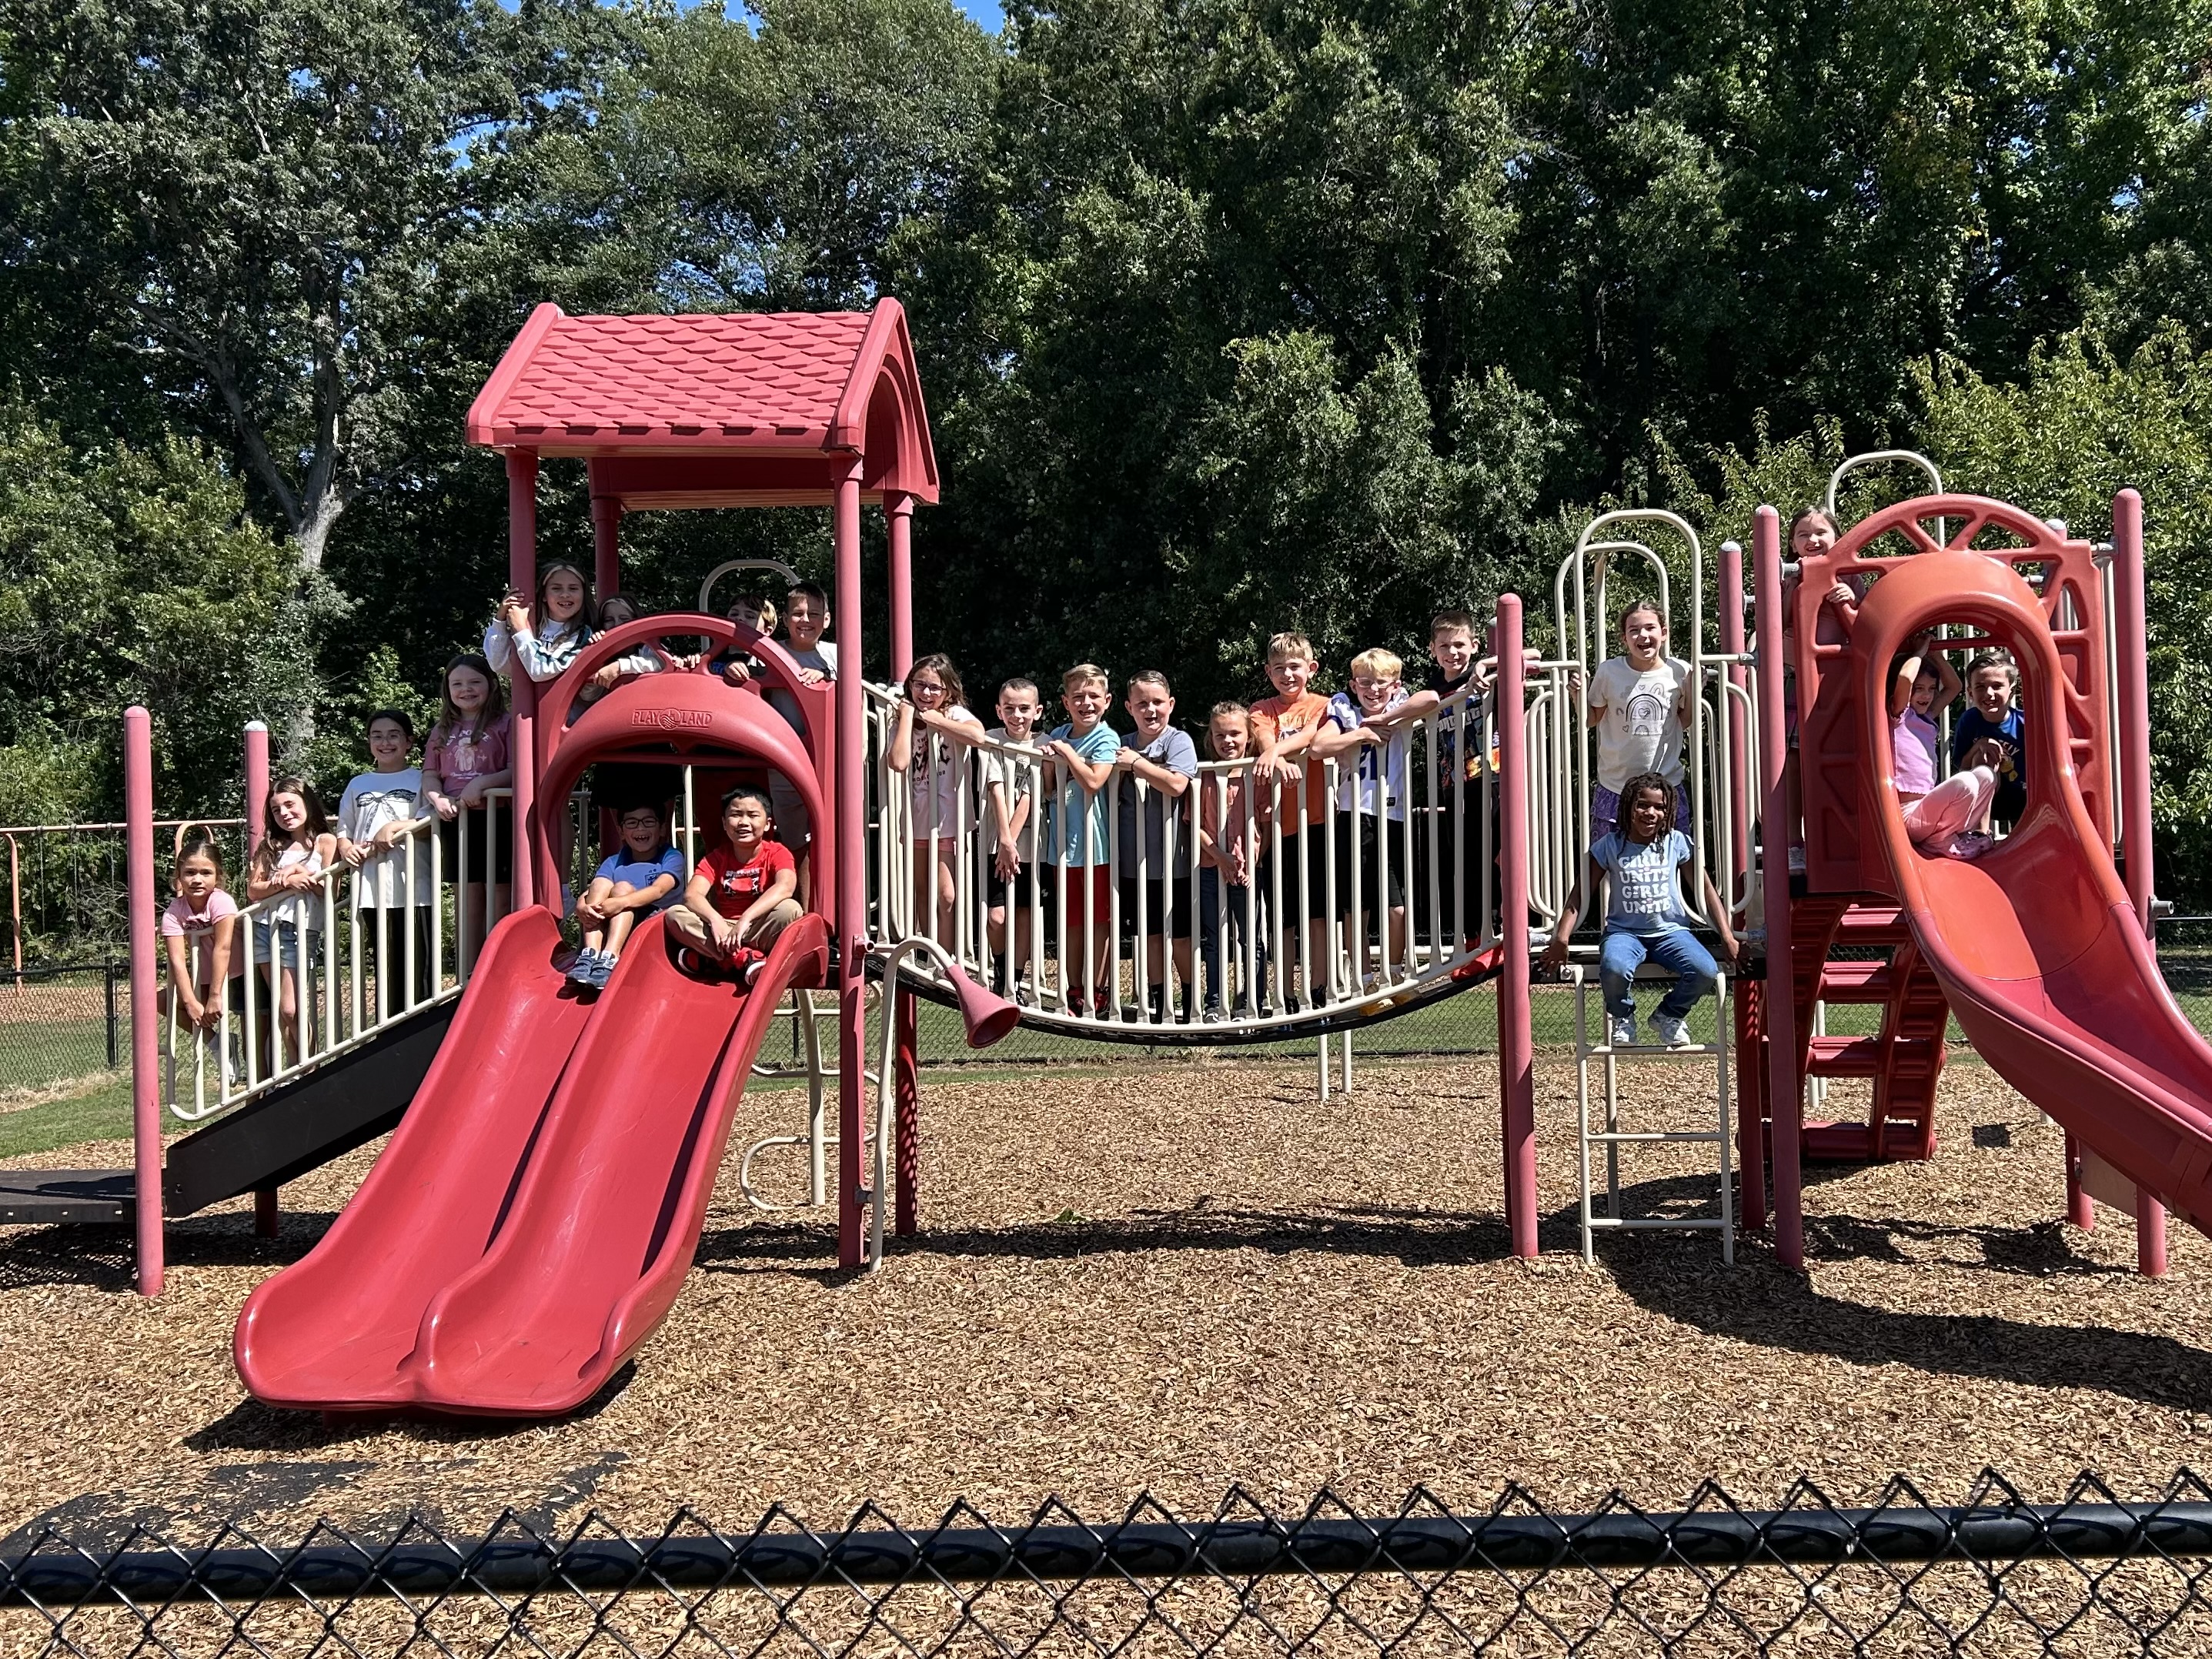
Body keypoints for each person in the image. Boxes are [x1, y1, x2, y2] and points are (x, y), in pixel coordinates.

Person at [1542, 773, 1739, 1050]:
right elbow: (1579, 894)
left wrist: (1727, 935)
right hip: (1625, 932)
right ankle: (1622, 1016)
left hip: (1671, 932)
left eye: (1659, 807)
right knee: (1614, 967)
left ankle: (1669, 1015)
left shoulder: (1676, 843)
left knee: (1705, 971)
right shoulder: (1610, 845)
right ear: (1628, 808)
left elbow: (1706, 891)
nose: (1651, 813)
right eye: (1643, 805)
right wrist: (1561, 938)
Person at [1311, 648, 1412, 994]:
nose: (1373, 690)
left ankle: (1395, 973)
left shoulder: (1400, 703)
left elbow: (1430, 699)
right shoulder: (1344, 709)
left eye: (1381, 684)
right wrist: (1361, 734)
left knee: (1396, 905)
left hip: (1393, 813)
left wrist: (1384, 720)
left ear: (1395, 685)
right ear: (1354, 685)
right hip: (1355, 812)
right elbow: (1319, 747)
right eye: (1365, 683)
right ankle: (1365, 980)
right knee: (1358, 904)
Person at [1249, 631, 1332, 1012]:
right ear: (1268, 672)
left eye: (1295, 667)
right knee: (1283, 914)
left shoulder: (1324, 704)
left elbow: (1315, 737)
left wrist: (1280, 754)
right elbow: (1263, 737)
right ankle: (1283, 991)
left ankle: (1318, 986)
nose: (1288, 674)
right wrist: (1276, 755)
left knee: (1318, 909)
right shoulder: (1262, 708)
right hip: (1278, 825)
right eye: (1279, 668)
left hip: (1318, 819)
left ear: (1311, 669)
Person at [336, 709, 436, 1017]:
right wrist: (345, 847)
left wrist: (395, 830)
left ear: (409, 741)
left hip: (415, 890)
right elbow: (344, 829)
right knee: (384, 966)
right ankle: (386, 1032)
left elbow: (431, 822)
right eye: (377, 736)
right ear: (368, 742)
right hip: (370, 891)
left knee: (418, 968)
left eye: (393, 735)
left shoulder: (421, 779)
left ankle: (420, 1030)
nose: (385, 742)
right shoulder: (358, 783)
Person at [1112, 670, 1199, 1022]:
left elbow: (1177, 784)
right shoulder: (1120, 741)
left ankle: (1192, 999)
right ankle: (1161, 1001)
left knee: (1180, 935)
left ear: (1171, 704)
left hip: (1175, 861)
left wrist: (1137, 763)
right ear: (1129, 707)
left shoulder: (1178, 741)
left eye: (1158, 702)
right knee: (1147, 935)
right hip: (1133, 862)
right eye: (1142, 703)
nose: (1151, 710)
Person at [886, 653, 986, 945]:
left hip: (949, 818)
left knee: (947, 895)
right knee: (923, 890)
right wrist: (907, 717)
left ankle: (946, 956)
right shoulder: (904, 719)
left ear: (948, 692)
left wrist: (935, 720)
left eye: (935, 688)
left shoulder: (953, 713)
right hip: (917, 817)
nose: (926, 693)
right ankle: (929, 953)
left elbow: (977, 736)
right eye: (920, 685)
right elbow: (899, 761)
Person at [423, 653, 515, 966]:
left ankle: (495, 966)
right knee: (467, 894)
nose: (466, 689)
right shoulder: (442, 729)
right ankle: (468, 971)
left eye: (475, 682)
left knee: (500, 893)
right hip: (458, 820)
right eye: (457, 683)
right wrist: (436, 798)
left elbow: (516, 769)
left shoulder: (506, 723)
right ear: (447, 689)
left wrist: (483, 784)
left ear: (491, 684)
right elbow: (431, 774)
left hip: (497, 816)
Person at [1041, 663, 1122, 1017]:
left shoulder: (1106, 737)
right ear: (1065, 701)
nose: (1085, 703)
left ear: (1106, 701)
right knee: (1071, 920)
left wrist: (1067, 754)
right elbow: (1048, 788)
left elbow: (1093, 782)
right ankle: (1073, 988)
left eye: (1093, 697)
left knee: (1098, 921)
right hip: (1063, 845)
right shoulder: (1058, 732)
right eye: (1078, 697)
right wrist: (1048, 761)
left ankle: (1098, 989)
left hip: (1097, 844)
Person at [1580, 600, 1695, 843]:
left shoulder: (1679, 671)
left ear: (1663, 633)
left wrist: (1694, 690)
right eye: (1634, 630)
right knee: (1607, 857)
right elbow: (1592, 720)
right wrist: (1576, 696)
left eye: (1650, 628)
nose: (1642, 635)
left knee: (1673, 855)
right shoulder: (1609, 672)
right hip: (1616, 785)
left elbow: (1683, 722)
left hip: (1665, 785)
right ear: (1624, 638)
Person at [667, 786, 803, 987]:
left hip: (758, 927)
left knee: (790, 909)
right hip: (723, 930)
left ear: (767, 824)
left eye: (753, 815)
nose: (744, 822)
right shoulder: (716, 858)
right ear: (724, 823)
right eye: (736, 815)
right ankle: (743, 958)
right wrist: (716, 921)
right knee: (675, 914)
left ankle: (715, 959)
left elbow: (785, 887)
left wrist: (746, 919)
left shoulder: (777, 852)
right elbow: (692, 895)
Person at [246, 776, 338, 1071]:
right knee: (283, 1011)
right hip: (264, 928)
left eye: (289, 805)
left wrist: (298, 871)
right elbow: (253, 889)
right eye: (276, 809)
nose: (284, 813)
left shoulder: (325, 842)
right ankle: (294, 1069)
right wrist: (284, 882)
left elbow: (331, 891)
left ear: (306, 803)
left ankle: (309, 1069)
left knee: (291, 1007)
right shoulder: (271, 845)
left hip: (299, 929)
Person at [1891, 633, 1995, 859]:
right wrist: (1918, 653)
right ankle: (1940, 840)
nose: (1927, 695)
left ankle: (1954, 834)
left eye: (1931, 688)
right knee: (1965, 781)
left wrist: (1935, 655)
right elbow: (1904, 680)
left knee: (1986, 776)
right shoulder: (1899, 715)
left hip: (1928, 812)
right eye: (1919, 688)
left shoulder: (1926, 717)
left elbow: (1954, 686)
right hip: (1908, 815)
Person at [1196, 701, 1267, 1021]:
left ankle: (1252, 999)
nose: (1228, 741)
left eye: (1235, 734)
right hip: (1213, 867)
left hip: (1248, 871)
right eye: (1220, 734)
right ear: (1211, 738)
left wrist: (1251, 864)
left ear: (1248, 736)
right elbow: (1196, 827)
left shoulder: (1257, 776)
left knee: (1251, 936)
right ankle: (1214, 1002)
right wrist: (1222, 858)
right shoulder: (1204, 777)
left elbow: (1266, 826)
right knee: (1214, 936)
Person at [766, 581, 837, 901]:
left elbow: (856, 691)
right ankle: (802, 911)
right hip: (784, 758)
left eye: (813, 613)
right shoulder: (771, 652)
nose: (805, 619)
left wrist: (826, 677)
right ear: (784, 618)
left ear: (827, 619)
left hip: (827, 758)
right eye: (797, 613)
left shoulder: (837, 654)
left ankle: (834, 916)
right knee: (795, 840)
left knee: (834, 836)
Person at [570, 803, 687, 989]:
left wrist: (619, 903)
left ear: (662, 829)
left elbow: (659, 890)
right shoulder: (614, 861)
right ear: (622, 832)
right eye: (631, 823)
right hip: (619, 921)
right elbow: (594, 889)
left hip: (656, 923)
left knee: (622, 888)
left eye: (648, 822)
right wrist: (581, 905)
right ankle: (591, 953)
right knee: (600, 884)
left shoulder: (671, 857)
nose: (640, 828)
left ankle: (611, 956)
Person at [977, 677, 1044, 992]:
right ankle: (1001, 971)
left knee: (1025, 914)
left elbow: (1031, 796)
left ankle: (1015, 982)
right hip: (997, 844)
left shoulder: (1044, 745)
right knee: (998, 917)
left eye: (1024, 709)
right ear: (999, 711)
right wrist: (1005, 842)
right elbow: (996, 789)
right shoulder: (991, 740)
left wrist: (1013, 843)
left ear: (1038, 711)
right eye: (1010, 709)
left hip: (1033, 848)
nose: (1017, 715)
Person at [160, 830, 241, 1053]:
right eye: (189, 873)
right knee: (161, 1001)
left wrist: (215, 996)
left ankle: (260, 1076)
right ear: (179, 876)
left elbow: (222, 948)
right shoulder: (174, 911)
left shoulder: (221, 902)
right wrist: (190, 1002)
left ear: (218, 876)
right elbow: (177, 959)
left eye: (206, 873)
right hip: (205, 976)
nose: (197, 879)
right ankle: (218, 1045)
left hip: (237, 974)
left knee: (252, 1022)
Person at [486, 562, 596, 687]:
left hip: (558, 705)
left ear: (583, 595)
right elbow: (499, 664)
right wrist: (500, 619)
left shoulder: (583, 635)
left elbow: (542, 671)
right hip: (524, 705)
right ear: (544, 595)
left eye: (573, 588)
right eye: (556, 588)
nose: (565, 594)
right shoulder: (532, 625)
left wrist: (521, 631)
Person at [1951, 649, 2027, 829]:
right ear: (1970, 692)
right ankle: (1981, 833)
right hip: (1983, 798)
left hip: (2022, 796)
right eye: (1980, 687)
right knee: (1983, 756)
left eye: (1997, 686)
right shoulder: (1969, 721)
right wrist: (1979, 745)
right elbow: (1961, 764)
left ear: (2012, 690)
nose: (1989, 693)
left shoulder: (2024, 723)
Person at [711, 592, 778, 686]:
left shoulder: (762, 664)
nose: (739, 618)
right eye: (734, 614)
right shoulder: (712, 654)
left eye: (750, 616)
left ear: (766, 631)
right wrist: (689, 662)